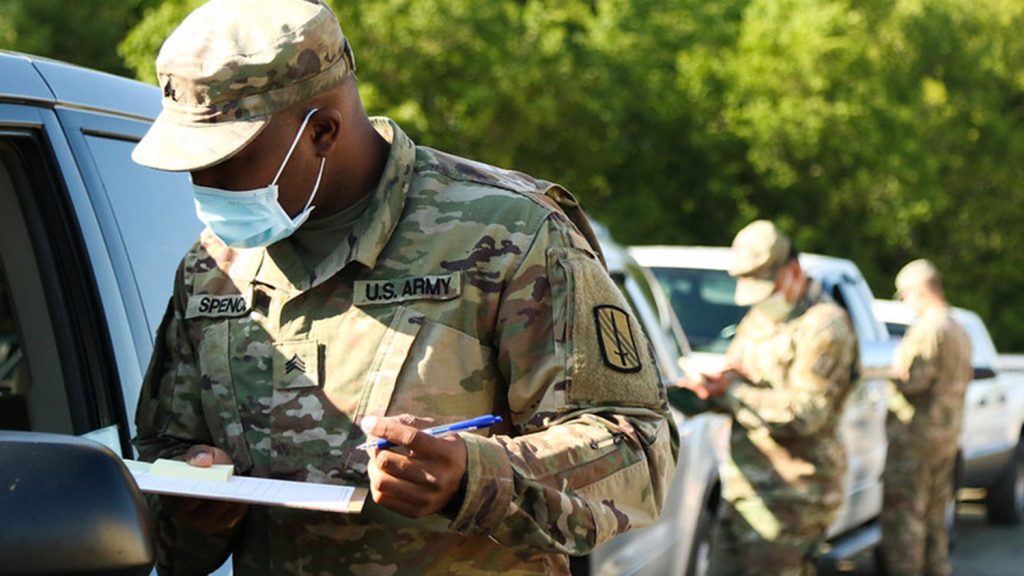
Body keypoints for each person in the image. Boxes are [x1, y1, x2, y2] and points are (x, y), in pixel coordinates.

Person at [130, 1, 677, 574]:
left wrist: (472, 475)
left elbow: (638, 449)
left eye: (226, 161)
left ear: (321, 131)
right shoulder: (212, 267)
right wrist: (195, 503)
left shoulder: (511, 234)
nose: (203, 185)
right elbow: (166, 477)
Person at [676, 220, 858, 575]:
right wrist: (708, 391)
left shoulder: (824, 326)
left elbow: (806, 413)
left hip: (793, 500)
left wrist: (732, 392)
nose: (760, 301)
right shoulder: (759, 319)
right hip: (744, 491)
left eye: (765, 287)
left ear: (792, 272)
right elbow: (743, 376)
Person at [879, 259, 971, 576]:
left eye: (905, 295)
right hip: (945, 438)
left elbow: (914, 381)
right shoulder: (958, 327)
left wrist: (892, 371)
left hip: (915, 441)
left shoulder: (929, 329)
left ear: (918, 291)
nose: (906, 303)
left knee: (905, 519)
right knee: (934, 519)